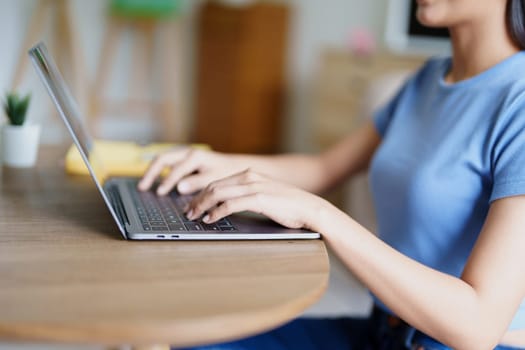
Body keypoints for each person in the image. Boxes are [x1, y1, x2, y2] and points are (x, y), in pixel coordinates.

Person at [138, 0, 525, 348]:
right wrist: (219, 165)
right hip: (383, 330)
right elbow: (323, 168)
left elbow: (478, 325)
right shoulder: (427, 80)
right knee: (175, 335)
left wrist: (321, 215)